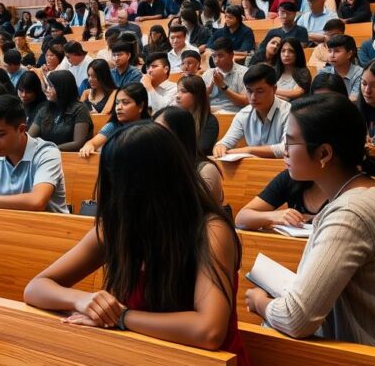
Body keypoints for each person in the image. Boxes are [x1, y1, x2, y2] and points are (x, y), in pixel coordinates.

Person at [24, 122, 248, 359]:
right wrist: (83, 300)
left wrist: (121, 317)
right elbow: (35, 288)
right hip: (141, 354)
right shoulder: (118, 227)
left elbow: (208, 331)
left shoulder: (211, 231)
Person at [245, 94, 375, 366]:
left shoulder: (352, 213)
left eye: (291, 141)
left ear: (324, 154)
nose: (284, 151)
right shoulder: (365, 193)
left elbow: (295, 319)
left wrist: (261, 302)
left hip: (362, 358)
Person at [213, 64, 290, 159]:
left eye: (260, 91)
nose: (253, 97)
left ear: (274, 89)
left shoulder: (289, 113)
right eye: (249, 91)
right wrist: (220, 147)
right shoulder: (243, 114)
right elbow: (225, 142)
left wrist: (249, 150)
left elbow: (287, 148)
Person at [78, 83, 150, 157]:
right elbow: (92, 143)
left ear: (141, 106)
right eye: (117, 103)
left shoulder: (151, 130)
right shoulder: (113, 126)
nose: (118, 107)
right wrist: (89, 146)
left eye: (125, 102)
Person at [29, 70, 92, 152]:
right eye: (47, 86)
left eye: (51, 86)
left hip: (70, 158)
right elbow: (30, 137)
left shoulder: (80, 109)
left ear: (62, 88)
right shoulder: (45, 109)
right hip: (46, 156)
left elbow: (78, 143)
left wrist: (50, 149)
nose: (47, 90)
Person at [176, 75, 220, 157]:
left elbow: (202, 149)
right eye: (177, 91)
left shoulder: (209, 121)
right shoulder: (174, 118)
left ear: (197, 95)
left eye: (183, 91)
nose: (177, 96)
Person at [203, 37, 249, 114]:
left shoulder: (244, 72)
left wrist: (222, 86)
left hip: (233, 113)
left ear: (231, 55)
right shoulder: (208, 73)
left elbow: (245, 102)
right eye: (214, 56)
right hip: (211, 113)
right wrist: (209, 90)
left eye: (220, 55)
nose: (216, 60)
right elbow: (198, 101)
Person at [319, 34, 363, 98]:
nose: (332, 55)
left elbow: (354, 99)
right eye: (329, 51)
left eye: (337, 51)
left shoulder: (360, 74)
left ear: (349, 54)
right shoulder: (323, 72)